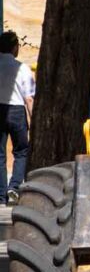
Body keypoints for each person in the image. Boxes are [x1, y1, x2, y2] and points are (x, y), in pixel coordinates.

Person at [0, 31, 35, 204]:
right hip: (16, 111)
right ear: (15, 48)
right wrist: (33, 119)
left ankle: (0, 195)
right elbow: (29, 97)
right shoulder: (22, 68)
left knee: (0, 154)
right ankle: (13, 188)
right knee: (21, 151)